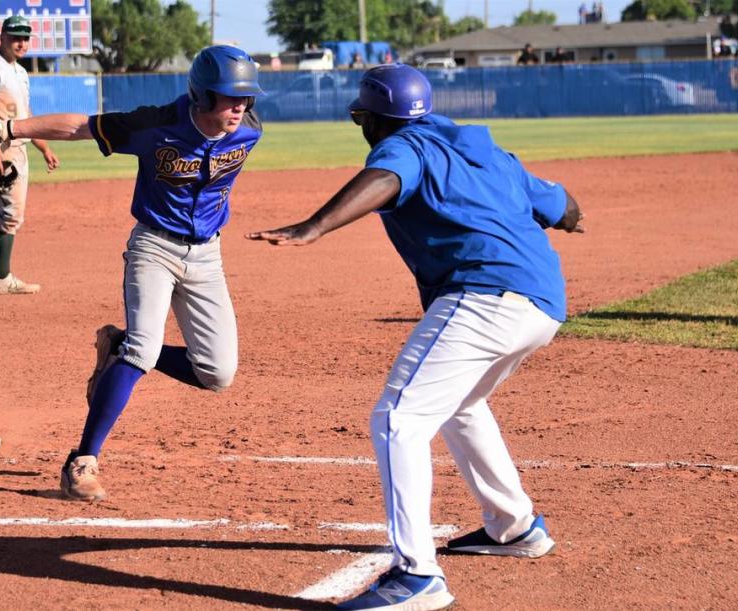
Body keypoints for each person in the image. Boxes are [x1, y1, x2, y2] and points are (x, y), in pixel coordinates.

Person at [247, 64, 584, 611]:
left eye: (361, 118)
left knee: (397, 419)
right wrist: (571, 218)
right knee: (461, 406)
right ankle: (514, 526)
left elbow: (386, 181)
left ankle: (416, 577)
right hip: (542, 303)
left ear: (372, 119)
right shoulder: (485, 151)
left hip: (483, 296)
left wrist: (313, 227)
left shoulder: (403, 146)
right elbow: (563, 206)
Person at [0, 45, 265, 500]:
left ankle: (113, 344)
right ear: (200, 95)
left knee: (217, 373)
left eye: (246, 98)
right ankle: (81, 462)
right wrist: (8, 127)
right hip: (153, 248)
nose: (239, 106)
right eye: (228, 96)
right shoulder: (156, 123)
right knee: (143, 349)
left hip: (208, 257)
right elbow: (81, 125)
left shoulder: (249, 130)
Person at [0, 15, 59, 295]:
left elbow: (25, 116)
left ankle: (2, 277)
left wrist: (43, 146)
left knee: (13, 213)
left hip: (17, 146)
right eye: (15, 37)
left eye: (25, 37)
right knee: (10, 213)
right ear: (2, 37)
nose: (21, 42)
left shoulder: (19, 71)